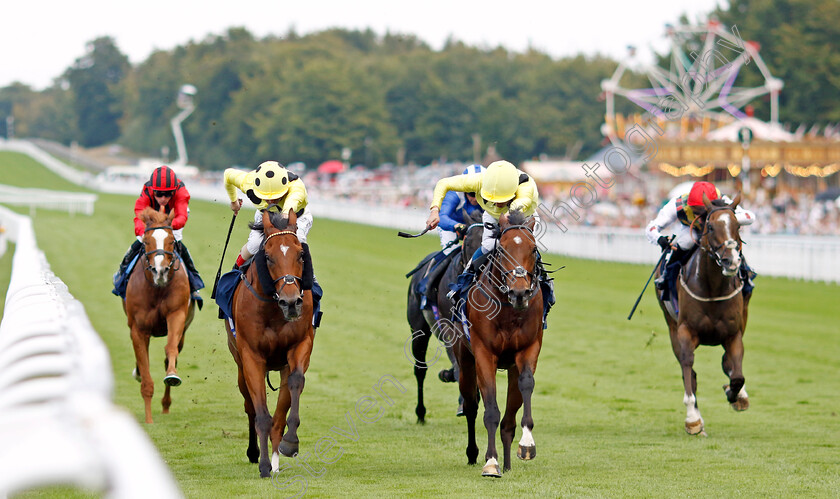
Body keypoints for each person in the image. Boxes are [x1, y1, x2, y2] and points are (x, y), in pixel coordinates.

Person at [426, 160, 554, 326]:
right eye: (492, 199)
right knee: (487, 245)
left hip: (523, 216)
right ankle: (466, 279)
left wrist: (506, 219)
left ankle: (546, 287)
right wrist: (434, 210)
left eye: (502, 200)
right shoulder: (479, 180)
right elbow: (443, 183)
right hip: (493, 216)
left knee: (525, 249)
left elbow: (514, 210)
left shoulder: (526, 187)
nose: (497, 203)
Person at [224, 160, 322, 327]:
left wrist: (281, 230)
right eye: (266, 198)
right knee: (255, 244)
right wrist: (233, 201)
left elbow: (287, 212)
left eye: (276, 197)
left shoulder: (297, 189)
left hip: (296, 217)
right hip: (266, 216)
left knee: (297, 241)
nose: (271, 201)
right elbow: (228, 175)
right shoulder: (248, 181)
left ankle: (310, 279)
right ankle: (237, 269)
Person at [646, 181, 756, 297]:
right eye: (696, 212)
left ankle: (745, 274)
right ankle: (667, 274)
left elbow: (750, 217)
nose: (699, 218)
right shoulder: (677, 204)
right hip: (691, 230)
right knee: (686, 241)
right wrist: (659, 239)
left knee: (729, 242)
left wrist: (723, 219)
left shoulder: (723, 201)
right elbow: (651, 228)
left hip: (715, 232)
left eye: (703, 214)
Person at [112, 165, 204, 302]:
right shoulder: (146, 190)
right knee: (140, 240)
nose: (163, 198)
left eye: (168, 194)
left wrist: (165, 228)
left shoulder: (181, 191)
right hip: (152, 217)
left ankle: (193, 281)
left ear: (174, 191)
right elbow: (139, 214)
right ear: (152, 190)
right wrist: (145, 232)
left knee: (177, 241)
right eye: (159, 194)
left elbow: (182, 217)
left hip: (173, 216)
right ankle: (122, 272)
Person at [415, 165, 486, 309]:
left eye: (478, 193)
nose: (474, 198)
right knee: (452, 254)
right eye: (470, 193)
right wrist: (457, 227)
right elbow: (442, 216)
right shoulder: (455, 193)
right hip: (453, 227)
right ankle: (427, 288)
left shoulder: (492, 195)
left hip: (478, 229)